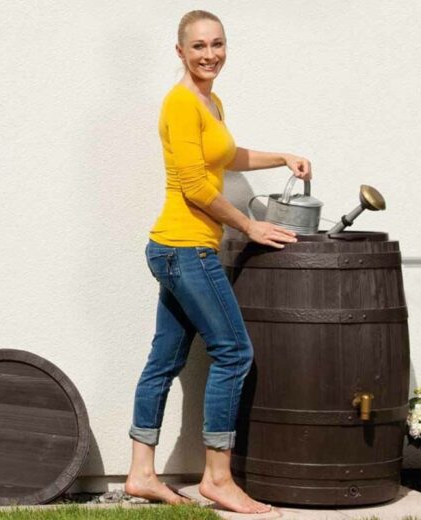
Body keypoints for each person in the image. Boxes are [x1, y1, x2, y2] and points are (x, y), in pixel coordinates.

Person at [124, 10, 312, 514]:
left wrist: (282, 157)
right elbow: (194, 187)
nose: (210, 54)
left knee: (163, 361)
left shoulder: (210, 101)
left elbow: (225, 157)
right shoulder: (181, 104)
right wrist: (248, 225)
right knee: (234, 354)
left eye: (218, 44)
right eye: (199, 46)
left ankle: (142, 473)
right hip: (185, 249)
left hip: (173, 249)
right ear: (180, 51)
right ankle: (218, 478)